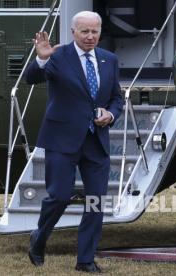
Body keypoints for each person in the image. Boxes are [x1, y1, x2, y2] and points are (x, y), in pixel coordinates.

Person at [25, 11, 124, 273]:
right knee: (58, 196)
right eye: (85, 32)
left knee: (96, 202)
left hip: (96, 141)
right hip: (61, 139)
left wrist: (111, 113)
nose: (90, 37)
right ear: (73, 32)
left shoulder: (109, 59)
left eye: (95, 31)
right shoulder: (58, 56)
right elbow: (30, 77)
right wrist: (41, 59)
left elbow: (117, 97)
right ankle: (39, 238)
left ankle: (85, 260)